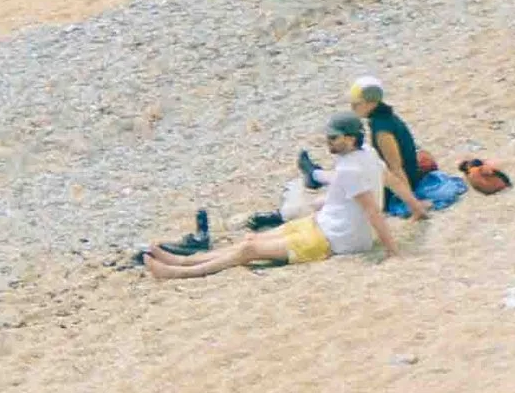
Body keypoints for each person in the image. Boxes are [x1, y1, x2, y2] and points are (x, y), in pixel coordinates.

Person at [143, 113, 406, 279]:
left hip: (333, 240)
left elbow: (372, 211)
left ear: (350, 139)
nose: (328, 142)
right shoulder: (367, 153)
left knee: (249, 250)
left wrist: (393, 251)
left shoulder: (351, 168)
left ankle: (180, 272)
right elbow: (389, 179)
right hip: (324, 224)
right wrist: (417, 209)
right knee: (251, 239)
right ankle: (184, 260)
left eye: (333, 138)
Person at [351, 79, 433, 221]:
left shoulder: (382, 129)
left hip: (402, 180)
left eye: (356, 104)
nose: (352, 108)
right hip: (405, 172)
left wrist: (412, 203)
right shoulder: (385, 117)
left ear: (371, 103)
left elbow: (396, 167)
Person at [414, 153, 514, 208]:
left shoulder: (470, 176)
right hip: (498, 185)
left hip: (490, 187)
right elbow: (491, 170)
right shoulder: (476, 172)